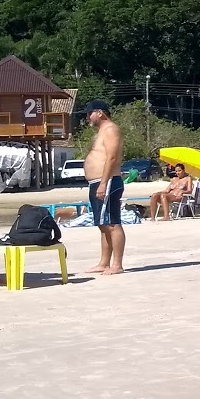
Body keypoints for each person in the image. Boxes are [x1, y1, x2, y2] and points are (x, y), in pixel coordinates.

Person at [82, 100, 125, 274]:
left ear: (100, 113)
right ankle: (104, 262)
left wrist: (103, 182)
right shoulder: (101, 131)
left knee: (112, 223)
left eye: (89, 113)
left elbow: (112, 157)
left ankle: (117, 265)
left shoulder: (110, 129)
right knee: (103, 224)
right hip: (97, 182)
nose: (87, 118)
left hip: (106, 181)